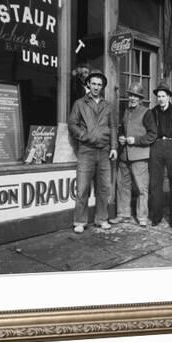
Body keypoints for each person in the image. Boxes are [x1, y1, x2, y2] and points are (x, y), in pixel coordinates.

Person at [68, 69, 117, 234]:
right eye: (93, 83)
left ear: (102, 87)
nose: (96, 87)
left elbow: (113, 127)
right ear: (88, 84)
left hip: (104, 151)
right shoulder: (80, 103)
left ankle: (102, 219)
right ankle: (80, 221)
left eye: (99, 84)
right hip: (86, 151)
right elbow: (72, 124)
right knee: (82, 188)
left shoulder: (108, 105)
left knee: (104, 188)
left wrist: (114, 147)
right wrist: (84, 136)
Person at [111, 83, 157, 227]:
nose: (132, 98)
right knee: (123, 185)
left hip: (139, 156)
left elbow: (152, 135)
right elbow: (122, 130)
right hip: (125, 155)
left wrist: (135, 140)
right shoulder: (126, 111)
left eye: (136, 96)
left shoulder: (146, 112)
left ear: (140, 98)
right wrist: (121, 137)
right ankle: (123, 214)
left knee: (141, 188)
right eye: (131, 95)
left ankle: (142, 217)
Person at [148, 81, 172, 227]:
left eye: (164, 96)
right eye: (159, 96)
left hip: (171, 146)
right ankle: (156, 216)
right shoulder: (153, 111)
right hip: (156, 146)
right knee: (156, 182)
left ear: (169, 97)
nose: (161, 99)